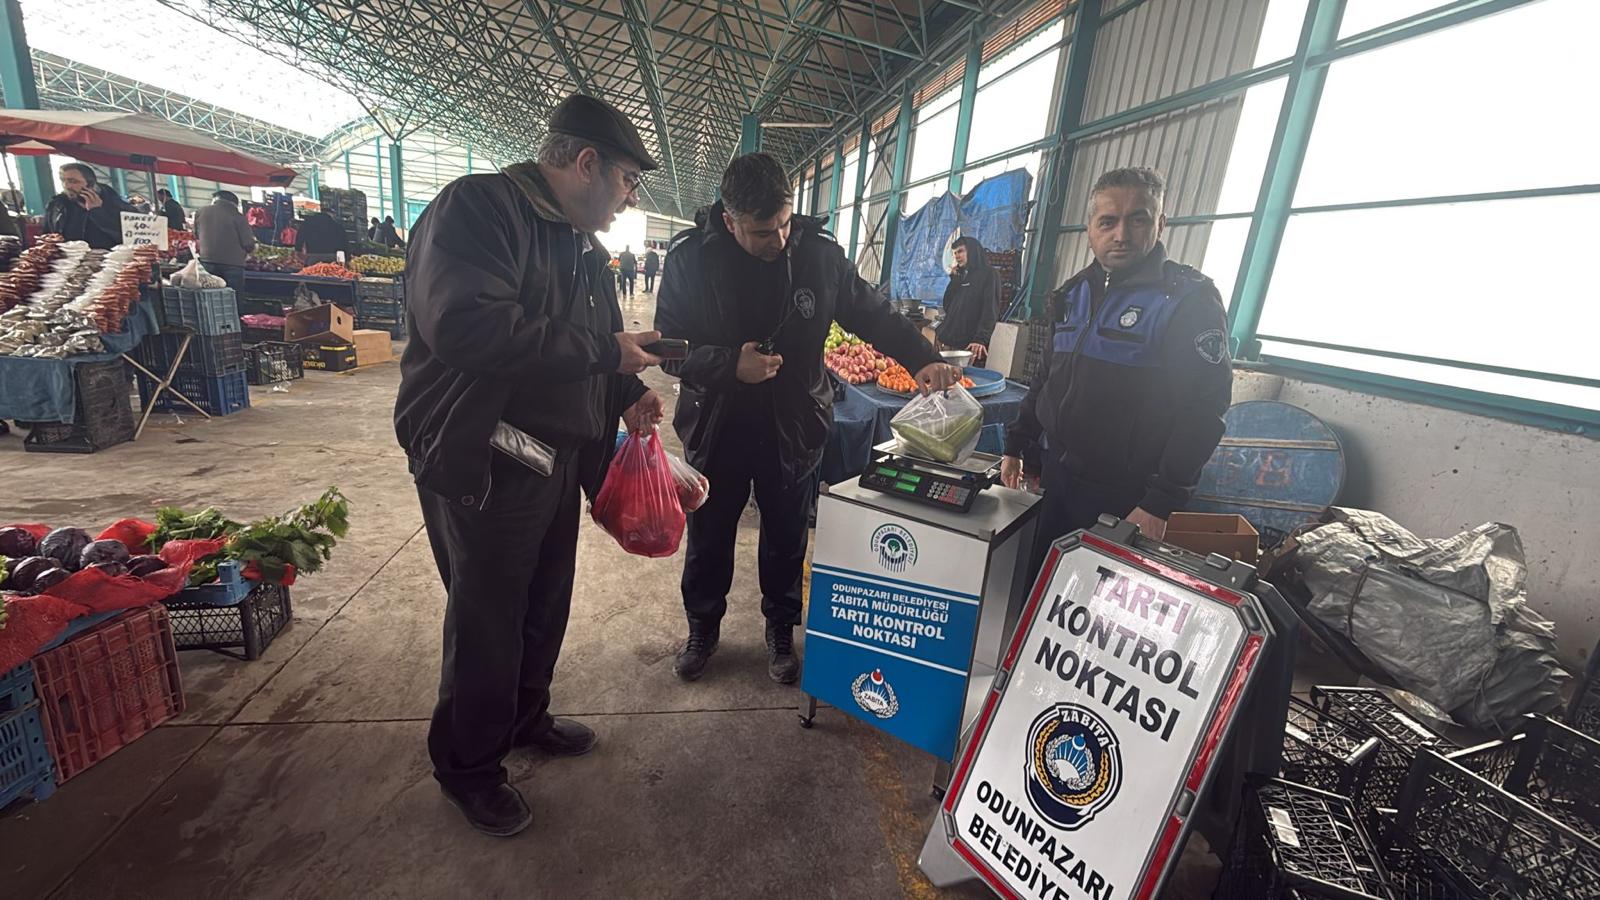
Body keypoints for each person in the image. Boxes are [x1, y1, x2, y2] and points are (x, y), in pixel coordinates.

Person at [394, 93, 667, 837]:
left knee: (543, 599)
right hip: (484, 451)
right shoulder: (477, 212)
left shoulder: (579, 244)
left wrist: (628, 390)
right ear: (585, 164)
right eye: (626, 180)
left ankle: (525, 718)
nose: (629, 197)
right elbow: (468, 326)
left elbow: (597, 339)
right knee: (488, 616)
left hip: (553, 455)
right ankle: (468, 768)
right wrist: (604, 353)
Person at [656, 153, 961, 684]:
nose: (778, 239)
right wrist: (732, 365)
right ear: (729, 222)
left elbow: (871, 310)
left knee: (786, 532)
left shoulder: (817, 255)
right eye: (761, 232)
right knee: (709, 533)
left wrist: (922, 356)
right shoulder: (691, 261)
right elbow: (668, 348)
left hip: (792, 424)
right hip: (717, 424)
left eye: (784, 223)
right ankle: (702, 627)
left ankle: (781, 627)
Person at [1002, 166, 1231, 570]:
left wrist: (1160, 502)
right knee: (1041, 588)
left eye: (1137, 218)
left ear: (1160, 223)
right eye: (1108, 221)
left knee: (1100, 613)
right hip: (1058, 480)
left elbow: (1204, 410)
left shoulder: (1186, 301)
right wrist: (1019, 445)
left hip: (1126, 499)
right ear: (1090, 227)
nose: (1121, 234)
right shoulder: (1072, 295)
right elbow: (1045, 377)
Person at [935, 235, 999, 365]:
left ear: (972, 250)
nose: (957, 256)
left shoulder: (989, 274)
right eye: (955, 253)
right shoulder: (962, 275)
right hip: (947, 340)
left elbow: (990, 309)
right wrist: (954, 280)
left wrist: (980, 339)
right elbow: (948, 306)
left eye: (961, 251)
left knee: (964, 381)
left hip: (969, 345)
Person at [42, 163, 133, 250]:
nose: (66, 186)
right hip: (66, 263)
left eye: (73, 181)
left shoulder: (115, 204)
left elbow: (127, 236)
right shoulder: (56, 206)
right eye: (63, 180)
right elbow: (47, 234)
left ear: (90, 184)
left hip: (107, 262)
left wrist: (98, 212)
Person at [192, 190, 256, 293]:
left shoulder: (200, 212)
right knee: (233, 296)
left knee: (211, 295)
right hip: (232, 265)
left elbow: (196, 235)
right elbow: (248, 243)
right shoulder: (238, 216)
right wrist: (251, 249)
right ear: (234, 203)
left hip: (207, 262)